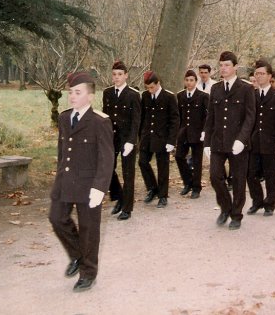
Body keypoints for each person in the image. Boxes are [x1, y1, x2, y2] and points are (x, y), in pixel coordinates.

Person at [49, 72, 114, 292]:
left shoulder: (100, 122)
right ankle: (77, 255)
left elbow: (106, 158)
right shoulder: (64, 118)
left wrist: (100, 187)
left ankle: (88, 273)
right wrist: (59, 177)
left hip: (89, 185)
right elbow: (62, 151)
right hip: (65, 181)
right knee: (56, 218)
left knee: (89, 230)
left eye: (78, 92)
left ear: (90, 96)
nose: (72, 96)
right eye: (71, 92)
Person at [203, 51, 256, 230]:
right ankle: (226, 207)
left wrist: (242, 139)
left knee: (239, 180)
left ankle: (236, 215)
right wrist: (207, 142)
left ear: (235, 67)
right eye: (221, 65)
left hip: (238, 143)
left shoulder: (246, 88)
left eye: (227, 65)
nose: (223, 68)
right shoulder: (216, 88)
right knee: (215, 176)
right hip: (218, 141)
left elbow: (250, 117)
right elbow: (211, 117)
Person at [246, 60, 275, 216]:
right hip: (254, 142)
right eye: (257, 73)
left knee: (271, 175)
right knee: (250, 173)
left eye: (262, 73)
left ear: (270, 76)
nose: (259, 76)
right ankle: (257, 201)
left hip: (271, 142)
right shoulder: (252, 95)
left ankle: (269, 204)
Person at [102, 60, 141, 220]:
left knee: (128, 173)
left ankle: (127, 208)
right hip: (112, 137)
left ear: (126, 76)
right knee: (107, 168)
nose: (117, 77)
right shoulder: (107, 93)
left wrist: (131, 141)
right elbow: (105, 116)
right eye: (114, 74)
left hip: (127, 138)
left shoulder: (133, 94)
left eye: (120, 74)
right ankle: (119, 196)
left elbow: (136, 121)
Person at [138, 71, 179, 208]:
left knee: (163, 167)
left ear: (158, 83)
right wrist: (140, 136)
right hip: (147, 137)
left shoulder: (169, 97)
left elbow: (174, 120)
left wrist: (171, 141)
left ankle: (163, 196)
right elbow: (143, 117)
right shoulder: (145, 96)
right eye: (147, 88)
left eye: (152, 87)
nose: (150, 90)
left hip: (162, 138)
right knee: (142, 162)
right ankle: (152, 188)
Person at [176, 70, 209, 199]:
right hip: (184, 133)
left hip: (197, 133)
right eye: (187, 80)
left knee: (196, 161)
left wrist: (204, 131)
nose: (189, 83)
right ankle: (188, 182)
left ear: (196, 81)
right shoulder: (180, 95)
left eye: (191, 80)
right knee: (179, 157)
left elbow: (207, 116)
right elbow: (178, 115)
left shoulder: (203, 96)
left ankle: (196, 188)